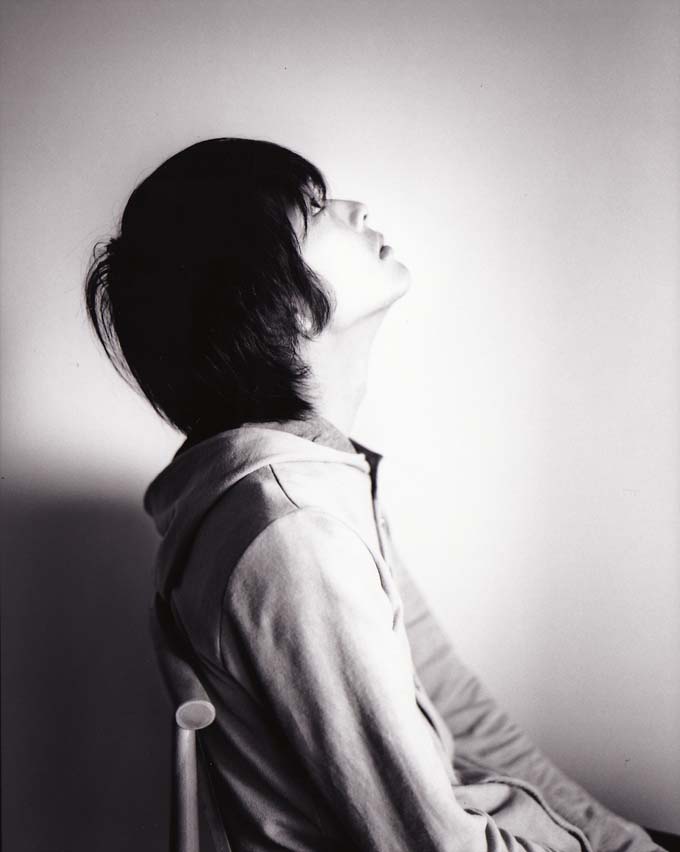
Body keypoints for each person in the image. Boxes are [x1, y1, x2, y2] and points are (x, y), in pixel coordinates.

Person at [85, 138, 665, 852]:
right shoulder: (294, 531)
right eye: (314, 211)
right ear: (275, 307)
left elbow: (458, 709)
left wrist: (617, 841)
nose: (355, 209)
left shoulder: (312, 481)